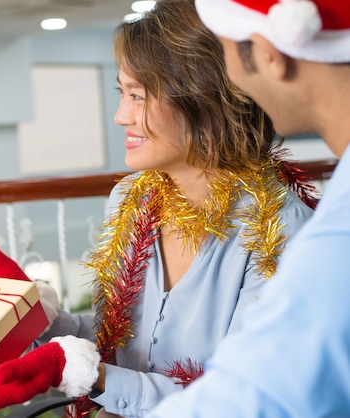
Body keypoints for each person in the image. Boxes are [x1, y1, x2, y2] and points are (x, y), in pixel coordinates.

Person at [0, 1, 316, 417]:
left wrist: (94, 378)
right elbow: (117, 346)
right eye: (122, 92)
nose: (121, 115)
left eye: (138, 95)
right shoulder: (132, 199)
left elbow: (243, 399)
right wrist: (29, 317)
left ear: (205, 97)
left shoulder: (278, 228)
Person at [145, 0, 350, 416]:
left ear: (270, 55)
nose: (231, 83)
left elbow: (259, 398)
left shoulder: (328, 234)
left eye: (223, 50)